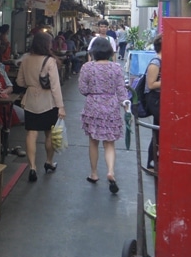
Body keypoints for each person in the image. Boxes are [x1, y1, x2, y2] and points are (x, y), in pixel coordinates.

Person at [78, 37, 127, 194]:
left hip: (93, 105)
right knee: (109, 143)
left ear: (94, 51)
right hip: (111, 106)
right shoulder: (116, 68)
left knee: (93, 141)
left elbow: (82, 89)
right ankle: (111, 171)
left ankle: (94, 173)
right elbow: (121, 90)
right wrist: (125, 105)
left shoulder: (87, 67)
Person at [16, 32, 66, 182]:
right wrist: (61, 107)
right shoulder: (50, 61)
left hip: (30, 101)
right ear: (47, 44)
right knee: (49, 134)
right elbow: (56, 87)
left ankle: (32, 167)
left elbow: (19, 82)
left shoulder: (25, 60)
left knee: (31, 134)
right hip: (48, 102)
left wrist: (31, 85)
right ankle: (48, 162)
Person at [145, 34, 162, 169]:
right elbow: (151, 84)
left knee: (160, 130)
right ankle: (152, 160)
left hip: (162, 99)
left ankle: (155, 159)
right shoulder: (156, 62)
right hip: (156, 100)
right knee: (158, 130)